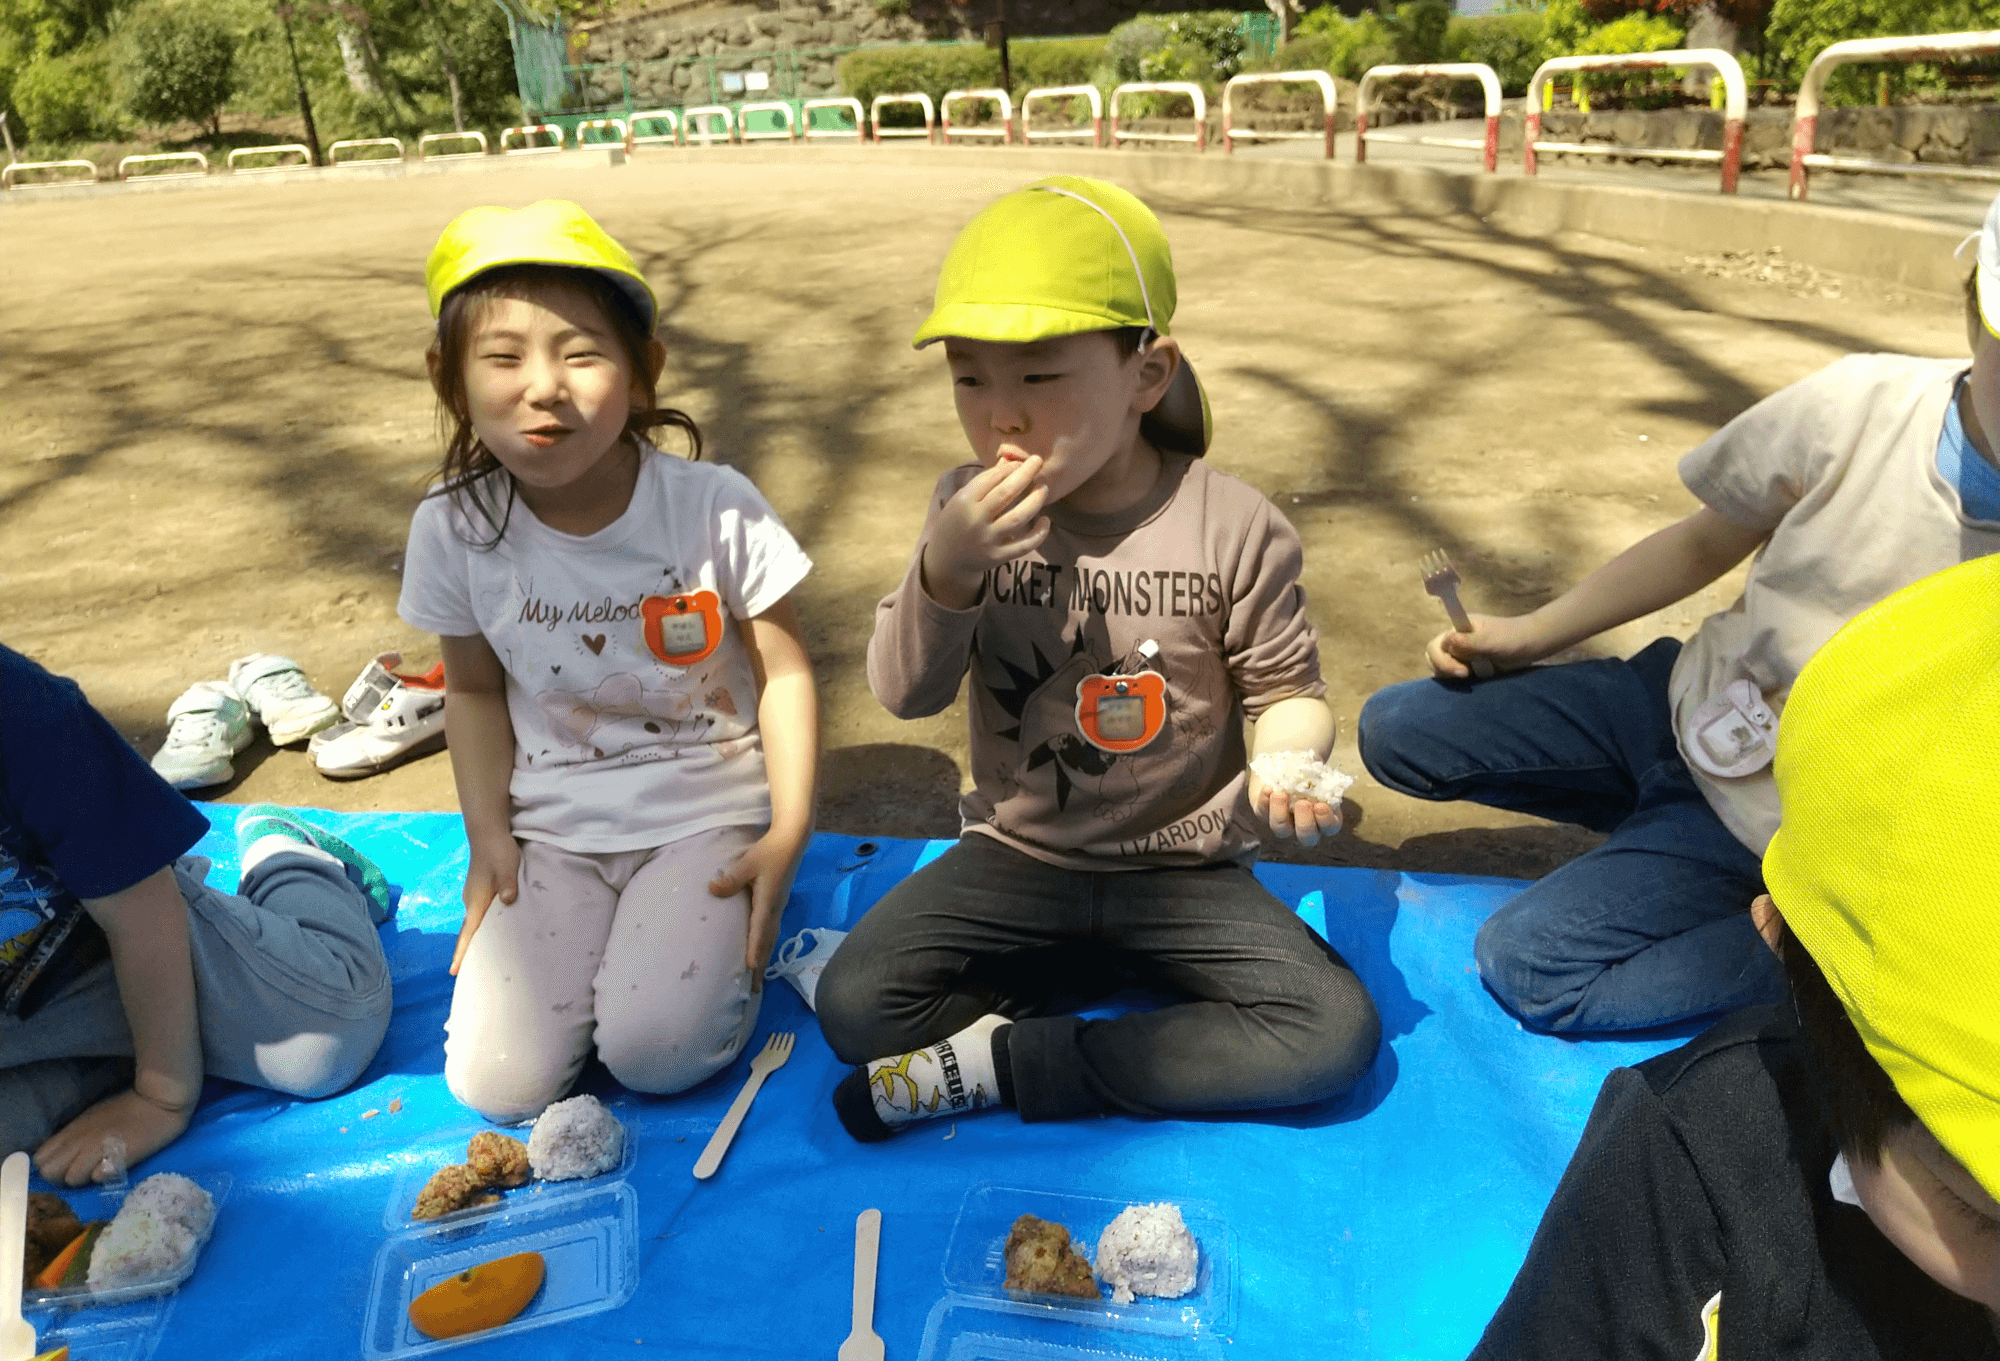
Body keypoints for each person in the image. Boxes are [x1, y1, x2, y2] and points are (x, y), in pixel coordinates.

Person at [815, 176, 1381, 1140]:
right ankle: (1091, 985)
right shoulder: (964, 509)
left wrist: (1292, 761)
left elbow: (1288, 694)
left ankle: (1012, 1058)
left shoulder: (1234, 525)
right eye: (969, 377)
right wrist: (944, 573)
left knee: (1333, 1034)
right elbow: (903, 694)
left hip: (1184, 874)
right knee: (855, 1005)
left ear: (1147, 376)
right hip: (1016, 858)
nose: (1003, 416)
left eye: (1038, 377)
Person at [1357, 192, 2000, 1035]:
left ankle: (1820, 962)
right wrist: (1532, 633)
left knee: (1532, 966)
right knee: (1395, 728)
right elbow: (1703, 543)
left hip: (1788, 825)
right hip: (1688, 701)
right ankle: (1647, 840)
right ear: (1975, 313)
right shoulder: (1859, 407)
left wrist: (1846, 906)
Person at [1468, 554, 1999, 1360]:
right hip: (1706, 764)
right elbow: (1701, 537)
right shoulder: (1700, 1153)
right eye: (1987, 1214)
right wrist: (1524, 636)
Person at [397, 200, 818, 1121]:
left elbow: (785, 672)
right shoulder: (452, 526)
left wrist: (787, 833)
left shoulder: (714, 506)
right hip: (553, 832)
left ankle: (686, 959)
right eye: (503, 358)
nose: (544, 387)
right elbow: (469, 691)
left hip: (705, 814)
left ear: (644, 368)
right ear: (449, 378)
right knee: (495, 1085)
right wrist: (489, 838)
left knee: (657, 1053)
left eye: (582, 353)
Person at [1, 645, 395, 1184]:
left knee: (323, 1042)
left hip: (99, 946)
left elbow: (141, 914)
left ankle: (288, 855)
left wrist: (160, 1097)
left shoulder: (21, 710)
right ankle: (121, 1056)